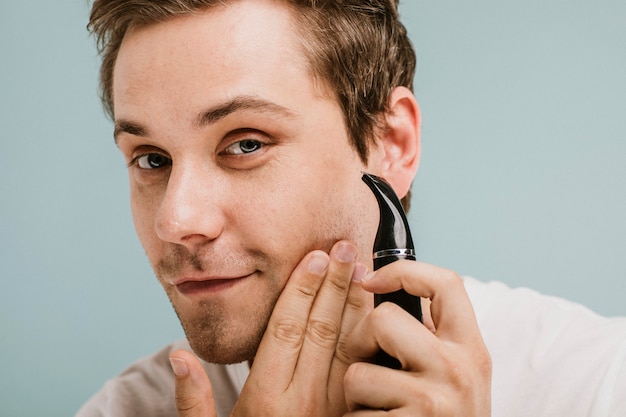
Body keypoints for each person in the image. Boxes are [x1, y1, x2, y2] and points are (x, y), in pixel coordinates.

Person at [78, 0, 626, 416]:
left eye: (246, 143)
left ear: (392, 143)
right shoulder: (124, 410)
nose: (175, 222)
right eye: (151, 159)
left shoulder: (599, 383)